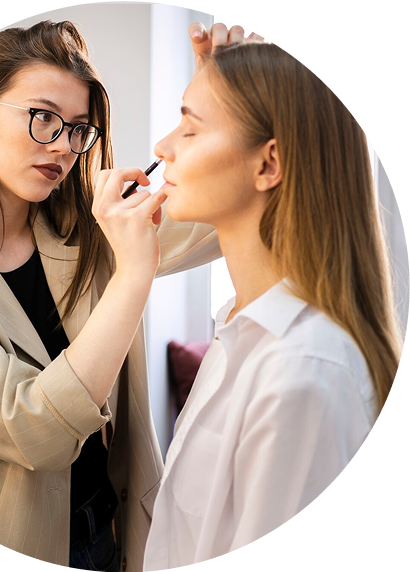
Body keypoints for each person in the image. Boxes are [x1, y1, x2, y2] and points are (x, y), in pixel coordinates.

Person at [0, 20, 226, 570]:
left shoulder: (86, 225)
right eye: (42, 117)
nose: (63, 146)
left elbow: (224, 216)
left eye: (78, 129)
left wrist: (222, 104)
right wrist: (133, 274)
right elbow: (37, 431)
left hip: (111, 534)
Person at [143, 32, 401, 570]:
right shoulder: (240, 327)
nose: (162, 147)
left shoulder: (303, 374)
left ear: (268, 164)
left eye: (190, 127)